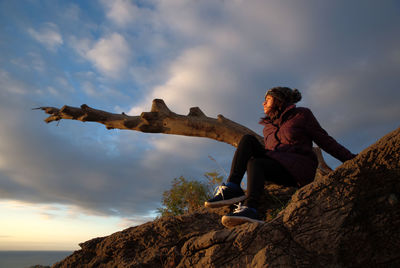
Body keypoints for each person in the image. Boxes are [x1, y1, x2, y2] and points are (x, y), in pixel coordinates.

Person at [204, 87, 357, 227]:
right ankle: (233, 189)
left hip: (299, 170)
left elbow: (325, 141)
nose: (263, 103)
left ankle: (250, 208)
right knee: (248, 142)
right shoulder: (268, 126)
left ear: (279, 100)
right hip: (279, 166)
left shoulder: (302, 115)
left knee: (256, 162)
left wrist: (350, 159)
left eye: (268, 99)